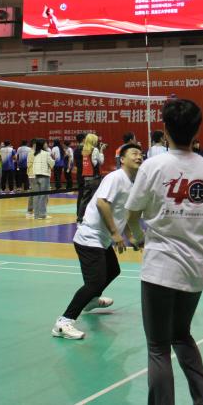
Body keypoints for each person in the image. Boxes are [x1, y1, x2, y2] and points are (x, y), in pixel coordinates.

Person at [124, 98, 203, 405]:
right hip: (195, 269)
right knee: (180, 334)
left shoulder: (152, 166)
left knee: (158, 347)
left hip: (159, 268)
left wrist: (137, 236)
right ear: (198, 130)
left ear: (165, 130)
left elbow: (133, 212)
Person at [53, 143, 145, 340]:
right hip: (90, 237)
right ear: (122, 159)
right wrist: (115, 233)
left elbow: (122, 212)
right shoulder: (116, 177)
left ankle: (91, 300)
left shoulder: (132, 182)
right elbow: (102, 203)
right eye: (134, 153)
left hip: (102, 238)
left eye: (141, 154)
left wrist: (129, 236)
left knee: (113, 270)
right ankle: (63, 322)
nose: (139, 156)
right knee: (94, 282)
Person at [76, 133, 103, 222]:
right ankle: (93, 217)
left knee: (85, 198)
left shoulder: (84, 150)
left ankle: (80, 217)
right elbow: (99, 162)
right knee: (95, 198)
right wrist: (101, 152)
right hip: (94, 177)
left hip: (86, 177)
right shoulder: (94, 149)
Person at [30, 139, 55, 220]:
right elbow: (52, 164)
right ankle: (42, 214)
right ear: (43, 145)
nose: (47, 144)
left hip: (35, 175)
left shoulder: (34, 153)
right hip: (44, 176)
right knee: (44, 196)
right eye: (45, 143)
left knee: (36, 196)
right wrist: (53, 159)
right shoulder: (46, 153)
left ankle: (36, 215)